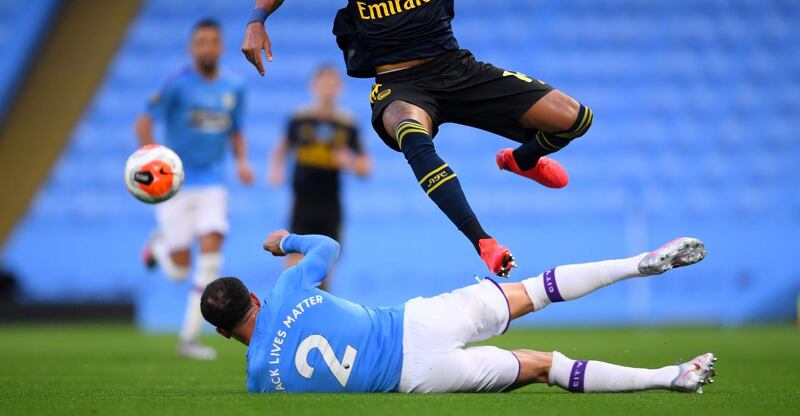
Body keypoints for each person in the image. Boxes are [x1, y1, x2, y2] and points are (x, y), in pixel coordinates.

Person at [240, 0, 651, 277]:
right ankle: (483, 241)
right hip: (397, 85)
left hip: (455, 68)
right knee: (412, 133)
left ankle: (523, 160)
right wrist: (256, 21)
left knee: (575, 119)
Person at [201, 231, 714, 394]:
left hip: (418, 377)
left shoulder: (259, 382)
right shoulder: (288, 285)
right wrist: (284, 241)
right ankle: (635, 264)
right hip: (415, 323)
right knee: (534, 291)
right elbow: (328, 246)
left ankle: (670, 378)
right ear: (256, 299)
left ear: (224, 334)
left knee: (543, 366)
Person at [135, 18, 254, 360]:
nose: (207, 47)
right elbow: (144, 120)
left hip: (213, 183)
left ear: (221, 46)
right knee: (177, 270)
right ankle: (158, 249)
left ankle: (189, 338)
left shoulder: (235, 87)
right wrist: (152, 158)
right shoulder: (176, 84)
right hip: (176, 183)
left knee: (211, 258)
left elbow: (237, 129)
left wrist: (242, 162)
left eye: (212, 41)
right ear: (192, 47)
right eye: (200, 42)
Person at [268, 65, 371, 289]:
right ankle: (286, 315)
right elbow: (282, 148)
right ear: (313, 87)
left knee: (324, 272)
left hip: (330, 205)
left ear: (340, 89)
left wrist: (350, 163)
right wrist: (276, 170)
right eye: (323, 84)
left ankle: (317, 321)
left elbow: (366, 166)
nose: (327, 90)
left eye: (332, 85)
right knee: (293, 266)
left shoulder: (346, 124)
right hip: (303, 202)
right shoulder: (299, 120)